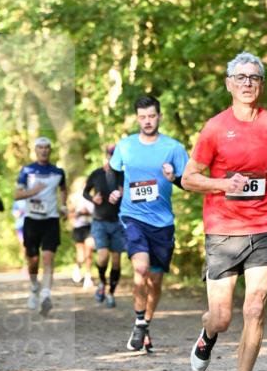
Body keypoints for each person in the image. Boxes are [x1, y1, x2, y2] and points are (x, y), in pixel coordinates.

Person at [181, 51, 267, 371]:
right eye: (241, 77)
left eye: (254, 78)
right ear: (229, 84)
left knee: (255, 307)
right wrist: (223, 183)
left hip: (264, 226)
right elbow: (188, 178)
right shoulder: (215, 128)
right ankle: (208, 335)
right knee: (222, 316)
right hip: (223, 229)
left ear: (261, 84)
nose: (247, 83)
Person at [109, 96, 188, 351]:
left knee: (155, 280)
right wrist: (115, 191)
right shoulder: (125, 146)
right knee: (141, 269)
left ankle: (144, 325)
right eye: (142, 117)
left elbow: (187, 182)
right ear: (137, 118)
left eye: (152, 116)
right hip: (132, 216)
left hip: (162, 222)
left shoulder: (173, 148)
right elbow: (114, 171)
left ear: (159, 117)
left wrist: (173, 177)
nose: (147, 121)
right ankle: (140, 321)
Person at [15, 137, 67, 316]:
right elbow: (16, 195)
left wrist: (64, 206)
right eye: (40, 148)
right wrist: (33, 191)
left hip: (51, 220)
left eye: (47, 148)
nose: (44, 151)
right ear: (35, 150)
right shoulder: (27, 170)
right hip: (32, 220)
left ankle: (46, 295)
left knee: (47, 258)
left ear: (50, 150)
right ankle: (34, 287)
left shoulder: (58, 172)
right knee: (33, 260)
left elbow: (63, 189)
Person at [83, 144, 126, 309]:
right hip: (100, 221)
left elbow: (130, 194)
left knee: (116, 261)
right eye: (111, 154)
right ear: (107, 155)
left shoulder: (122, 175)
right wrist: (93, 199)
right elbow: (85, 192)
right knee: (102, 256)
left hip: (118, 222)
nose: (113, 157)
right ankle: (101, 283)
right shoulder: (96, 174)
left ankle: (111, 293)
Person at [69, 191, 95, 290]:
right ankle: (77, 267)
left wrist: (89, 213)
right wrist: (79, 213)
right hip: (79, 228)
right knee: (81, 256)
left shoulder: (94, 199)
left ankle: (88, 277)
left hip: (90, 227)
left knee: (89, 252)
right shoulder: (76, 200)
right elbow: (70, 215)